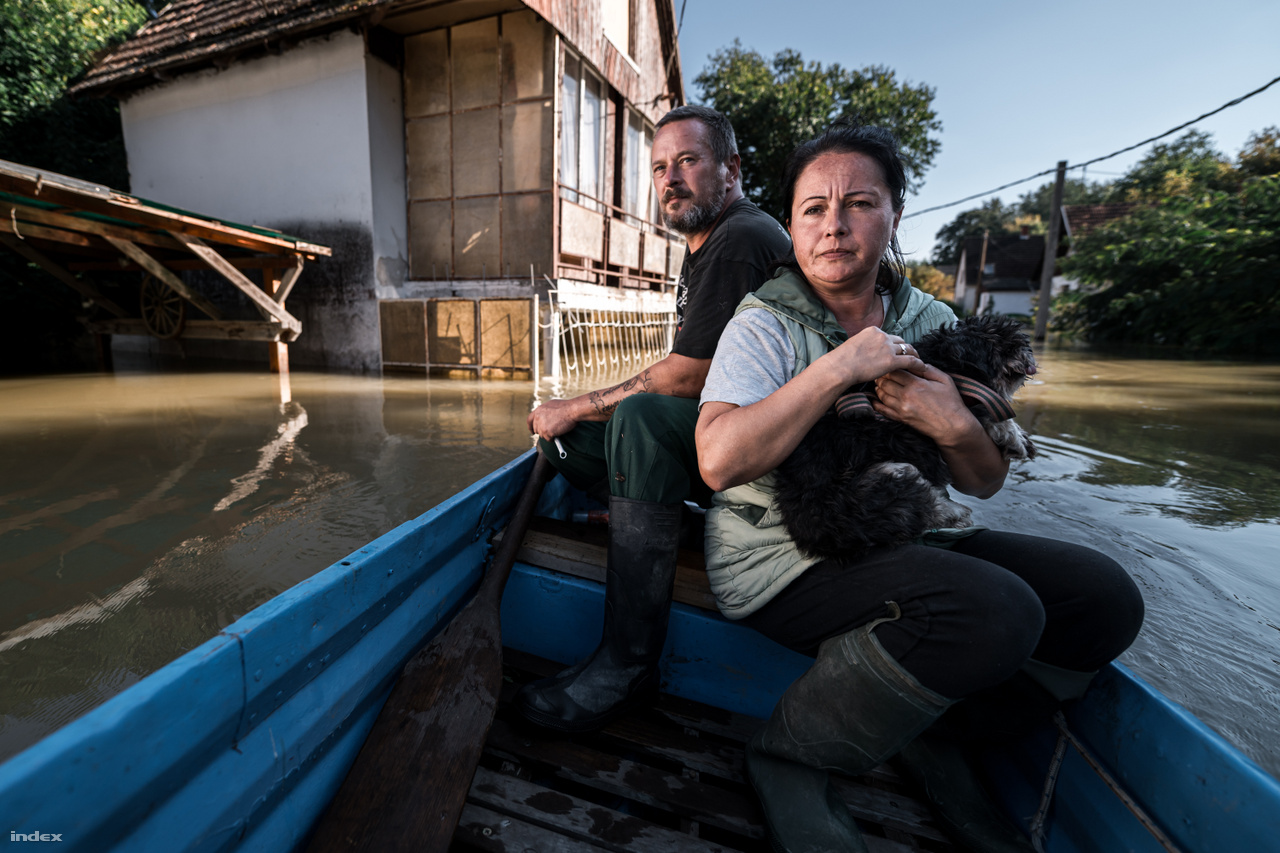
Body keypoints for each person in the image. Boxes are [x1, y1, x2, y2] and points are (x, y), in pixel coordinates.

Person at [694, 122, 1145, 853]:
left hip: (913, 528)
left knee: (1104, 599)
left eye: (859, 203)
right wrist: (841, 368)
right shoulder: (763, 322)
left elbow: (985, 480)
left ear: (894, 216)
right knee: (997, 609)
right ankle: (790, 753)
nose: (834, 224)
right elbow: (716, 461)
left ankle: (936, 732)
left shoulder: (931, 321)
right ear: (792, 224)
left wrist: (951, 422)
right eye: (813, 208)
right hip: (783, 551)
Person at [515, 105, 792, 732]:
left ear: (731, 170)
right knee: (570, 448)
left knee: (633, 420)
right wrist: (575, 420)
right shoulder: (708, 244)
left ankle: (628, 662)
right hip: (727, 435)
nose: (670, 179)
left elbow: (689, 374)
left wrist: (576, 403)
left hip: (769, 457)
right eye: (661, 167)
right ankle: (665, 521)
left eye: (689, 161)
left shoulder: (740, 238)